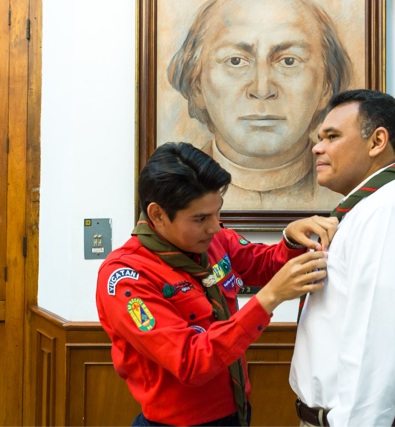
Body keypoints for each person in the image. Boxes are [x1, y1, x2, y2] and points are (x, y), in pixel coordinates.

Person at [96, 142, 337, 426]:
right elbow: (190, 361)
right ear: (157, 214)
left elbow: (262, 264)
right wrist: (269, 299)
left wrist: (292, 239)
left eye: (217, 212)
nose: (214, 225)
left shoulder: (212, 240)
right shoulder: (127, 276)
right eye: (200, 218)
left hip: (237, 412)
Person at [289, 90, 395, 426]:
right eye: (320, 138)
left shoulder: (388, 213)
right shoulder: (372, 209)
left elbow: (376, 354)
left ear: (377, 141)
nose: (317, 148)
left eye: (332, 137)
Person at [167, 0, 352, 210]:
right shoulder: (172, 192)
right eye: (235, 61)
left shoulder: (349, 194)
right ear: (197, 84)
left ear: (326, 86)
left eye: (289, 61)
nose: (262, 89)